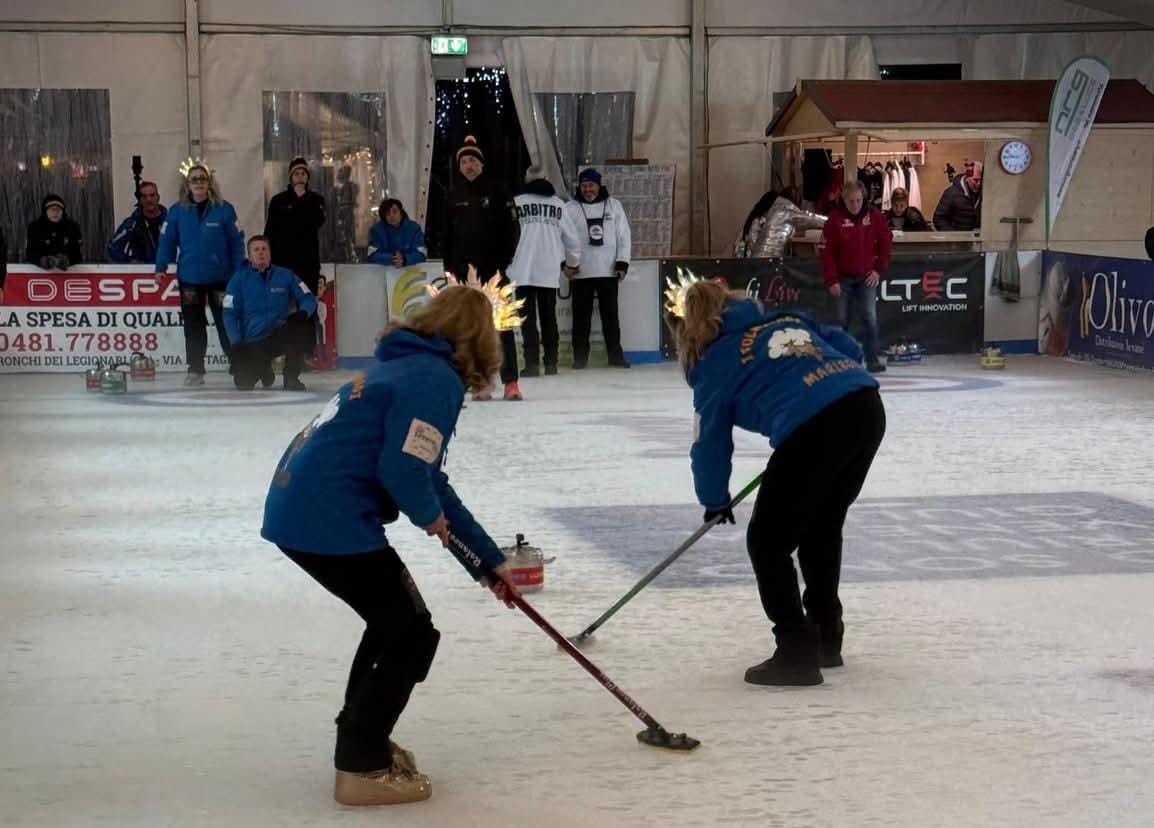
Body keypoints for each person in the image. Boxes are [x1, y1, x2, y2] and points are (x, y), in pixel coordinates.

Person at [260, 282, 520, 807]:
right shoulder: (433, 380)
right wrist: (430, 519)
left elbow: (426, 476)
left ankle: (363, 738)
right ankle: (359, 762)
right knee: (409, 633)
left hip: (304, 509)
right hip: (326, 518)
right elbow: (404, 472)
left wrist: (487, 561)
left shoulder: (403, 365)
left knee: (395, 623)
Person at [665, 276, 885, 687]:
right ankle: (825, 636)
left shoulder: (714, 362)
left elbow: (709, 441)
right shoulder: (786, 320)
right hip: (865, 406)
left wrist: (714, 498)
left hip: (815, 425)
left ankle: (795, 649)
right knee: (821, 525)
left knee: (767, 541)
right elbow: (850, 349)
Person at [442, 136, 521, 400]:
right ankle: (480, 383)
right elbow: (446, 236)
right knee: (468, 332)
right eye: (464, 161)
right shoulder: (453, 194)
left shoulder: (498, 190)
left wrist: (502, 263)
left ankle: (511, 383)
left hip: (494, 273)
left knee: (503, 328)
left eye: (473, 160)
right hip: (464, 275)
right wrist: (450, 269)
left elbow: (513, 231)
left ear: (481, 164)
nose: (468, 165)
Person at [155, 163, 245, 385]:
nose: (198, 183)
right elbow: (166, 242)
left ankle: (238, 365)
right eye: (194, 179)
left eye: (202, 179)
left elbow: (236, 242)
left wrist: (237, 271)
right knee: (193, 325)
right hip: (190, 280)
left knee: (227, 322)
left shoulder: (225, 209)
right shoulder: (176, 211)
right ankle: (195, 369)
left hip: (221, 279)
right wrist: (160, 267)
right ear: (187, 184)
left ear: (209, 183)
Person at [507, 169, 581, 377]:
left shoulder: (517, 201)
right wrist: (572, 264)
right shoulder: (558, 204)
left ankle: (531, 364)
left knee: (527, 320)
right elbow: (572, 240)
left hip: (521, 269)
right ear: (547, 181)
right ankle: (551, 363)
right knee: (549, 319)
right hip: (548, 269)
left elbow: (505, 235)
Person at [223, 236, 317, 392]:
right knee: (243, 383)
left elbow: (308, 297)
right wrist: (236, 343)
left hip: (279, 335)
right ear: (249, 255)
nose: (261, 253)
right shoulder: (238, 279)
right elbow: (229, 313)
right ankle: (264, 368)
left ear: (270, 253)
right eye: (256, 250)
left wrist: (303, 312)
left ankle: (291, 377)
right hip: (253, 342)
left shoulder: (286, 275)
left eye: (264, 249)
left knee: (302, 325)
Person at [819, 180, 893, 374]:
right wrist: (832, 279)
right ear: (844, 200)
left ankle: (872, 359)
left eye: (859, 200)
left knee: (870, 317)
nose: (855, 205)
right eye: (851, 201)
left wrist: (879, 269)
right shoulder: (834, 220)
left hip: (867, 275)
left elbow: (886, 242)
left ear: (864, 198)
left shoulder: (875, 216)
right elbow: (826, 252)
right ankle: (839, 360)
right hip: (842, 277)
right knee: (840, 319)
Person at [564, 168, 631, 369]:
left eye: (591, 185)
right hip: (580, 271)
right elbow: (561, 238)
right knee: (580, 318)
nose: (587, 190)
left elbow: (624, 236)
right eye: (584, 186)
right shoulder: (570, 208)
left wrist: (622, 263)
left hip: (608, 270)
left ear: (599, 186)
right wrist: (565, 265)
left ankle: (616, 357)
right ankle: (580, 358)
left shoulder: (614, 206)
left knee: (611, 317)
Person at [264, 157, 327, 361]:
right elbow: (270, 231)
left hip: (307, 263)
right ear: (290, 177)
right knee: (283, 306)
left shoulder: (316, 200)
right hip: (283, 263)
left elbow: (317, 222)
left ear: (307, 177)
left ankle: (307, 351)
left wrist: (302, 200)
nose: (300, 177)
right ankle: (280, 350)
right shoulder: (278, 201)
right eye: (296, 173)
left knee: (306, 306)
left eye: (303, 173)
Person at [733, 190, 826, 258]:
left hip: (749, 263)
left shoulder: (753, 220)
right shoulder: (784, 211)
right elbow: (810, 218)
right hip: (765, 263)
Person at [107, 181, 167, 263]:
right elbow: (112, 247)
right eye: (144, 196)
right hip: (142, 273)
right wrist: (130, 261)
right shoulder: (132, 223)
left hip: (168, 271)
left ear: (158, 197)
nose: (148, 199)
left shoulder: (171, 221)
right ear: (140, 200)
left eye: (152, 195)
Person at [26, 194, 83, 270]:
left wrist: (67, 260)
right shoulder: (35, 227)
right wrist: (42, 261)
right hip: (39, 273)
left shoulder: (72, 227)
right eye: (52, 209)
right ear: (45, 211)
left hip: (70, 273)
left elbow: (77, 254)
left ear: (63, 211)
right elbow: (30, 253)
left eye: (58, 209)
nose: (55, 213)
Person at [367, 198, 427, 267]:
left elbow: (422, 254)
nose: (392, 216)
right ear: (384, 217)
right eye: (388, 214)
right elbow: (371, 255)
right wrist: (392, 258)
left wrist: (405, 259)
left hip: (409, 270)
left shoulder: (414, 228)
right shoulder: (376, 230)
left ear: (401, 212)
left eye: (394, 212)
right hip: (384, 271)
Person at [932, 160, 982, 231]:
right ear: (967, 178)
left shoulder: (985, 193)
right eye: (976, 180)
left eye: (981, 180)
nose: (979, 184)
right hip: (957, 239)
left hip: (977, 239)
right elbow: (938, 219)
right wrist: (953, 235)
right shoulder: (951, 193)